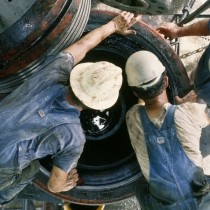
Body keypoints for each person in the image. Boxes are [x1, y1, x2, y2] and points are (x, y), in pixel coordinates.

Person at [0, 11, 140, 207]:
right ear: (99, 104)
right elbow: (54, 186)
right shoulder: (73, 138)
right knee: (30, 170)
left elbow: (83, 46)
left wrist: (114, 25)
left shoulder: (52, 72)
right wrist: (65, 183)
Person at [125, 50, 210, 210]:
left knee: (140, 187)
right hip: (201, 200)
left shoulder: (132, 117)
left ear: (135, 92)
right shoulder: (189, 112)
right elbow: (207, 120)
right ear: (166, 80)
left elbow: (141, 107)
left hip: (164, 205)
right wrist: (183, 108)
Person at [157, 18, 210, 107]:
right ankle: (191, 81)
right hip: (202, 73)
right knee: (193, 77)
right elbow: (207, 26)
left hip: (207, 97)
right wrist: (177, 31)